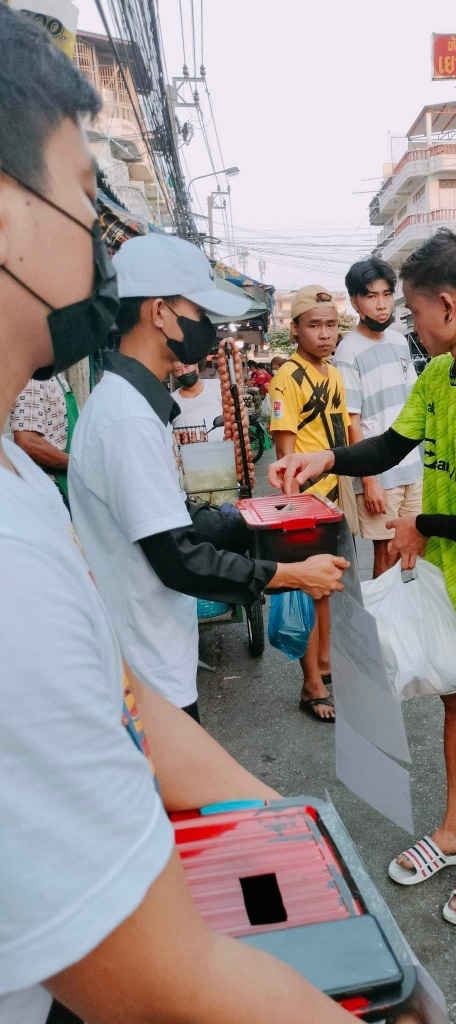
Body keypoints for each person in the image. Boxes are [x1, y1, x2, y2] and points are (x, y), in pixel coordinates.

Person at [0, 10, 370, 1024]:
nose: (95, 242)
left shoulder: (39, 461)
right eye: (83, 198)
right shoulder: (110, 426)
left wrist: (270, 817)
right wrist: (283, 571)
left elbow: (111, 681)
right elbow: (165, 979)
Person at [270, 230, 456, 926]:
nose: (409, 325)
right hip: (449, 583)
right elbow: (392, 444)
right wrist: (323, 461)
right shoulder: (438, 375)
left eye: (415, 312)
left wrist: (425, 527)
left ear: (449, 306)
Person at [68, 234, 348, 720]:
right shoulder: (126, 419)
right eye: (199, 312)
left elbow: (176, 518)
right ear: (160, 313)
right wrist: (285, 574)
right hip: (147, 671)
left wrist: (259, 522)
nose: (209, 328)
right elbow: (177, 557)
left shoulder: (136, 406)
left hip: (156, 658)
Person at [269, 286, 351, 723]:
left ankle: (325, 666)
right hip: (306, 502)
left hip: (336, 497)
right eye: (314, 325)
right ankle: (311, 685)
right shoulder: (288, 377)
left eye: (331, 325)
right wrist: (295, 509)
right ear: (295, 329)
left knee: (326, 591)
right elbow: (286, 456)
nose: (324, 334)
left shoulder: (333, 375)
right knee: (311, 588)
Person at [336, 257, 423, 578]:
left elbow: (412, 405)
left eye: (387, 294)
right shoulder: (348, 350)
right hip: (379, 476)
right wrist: (369, 479)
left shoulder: (400, 341)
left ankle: (408, 623)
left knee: (414, 551)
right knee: (386, 556)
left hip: (413, 469)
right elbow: (351, 420)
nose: (382, 305)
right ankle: (384, 628)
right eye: (371, 296)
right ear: (355, 301)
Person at [9, 372, 77, 502]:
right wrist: (77, 465)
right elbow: (27, 443)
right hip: (51, 491)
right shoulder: (35, 379)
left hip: (64, 485)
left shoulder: (53, 374)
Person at [172, 359, 224, 441]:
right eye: (178, 370)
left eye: (187, 366)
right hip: (188, 452)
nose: (184, 372)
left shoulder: (218, 386)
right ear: (173, 374)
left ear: (196, 366)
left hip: (223, 450)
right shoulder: (171, 401)